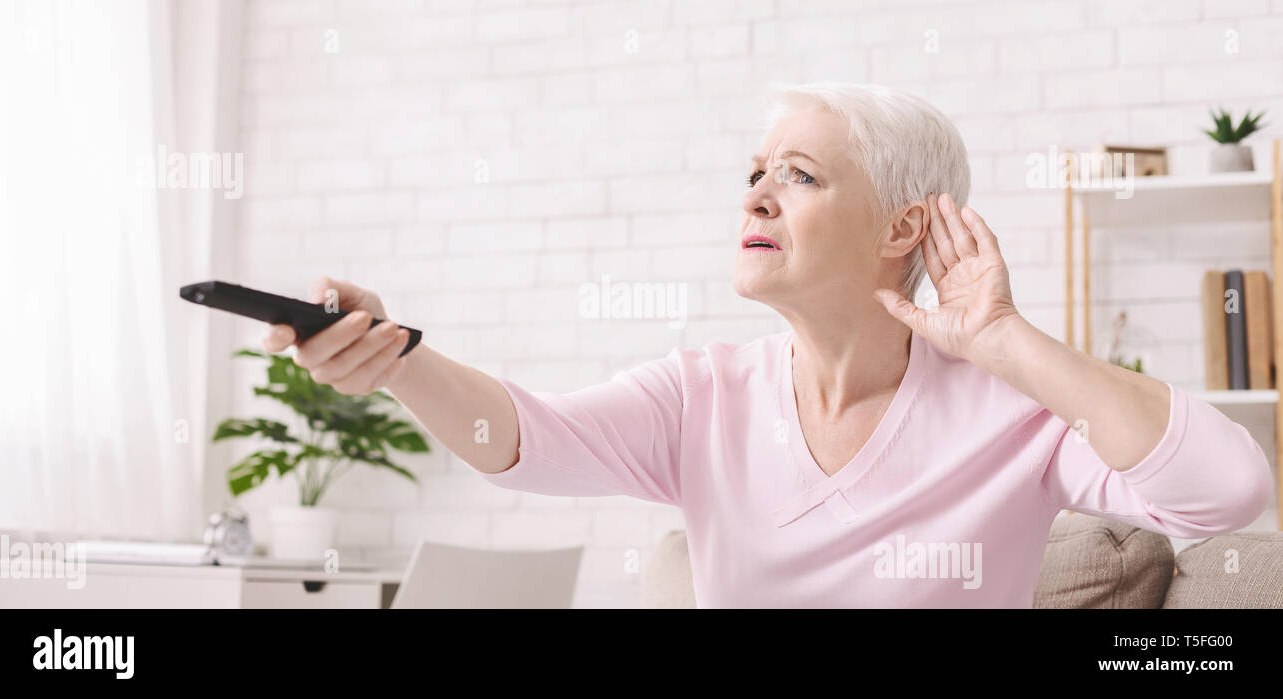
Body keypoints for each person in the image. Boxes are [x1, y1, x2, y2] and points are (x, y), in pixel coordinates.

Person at [262, 82, 1273, 607]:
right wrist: (395, 359)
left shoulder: (1013, 406)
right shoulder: (701, 395)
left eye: (797, 174)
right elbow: (526, 440)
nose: (753, 194)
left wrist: (1010, 343)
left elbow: (1227, 491)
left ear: (899, 228)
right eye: (754, 171)